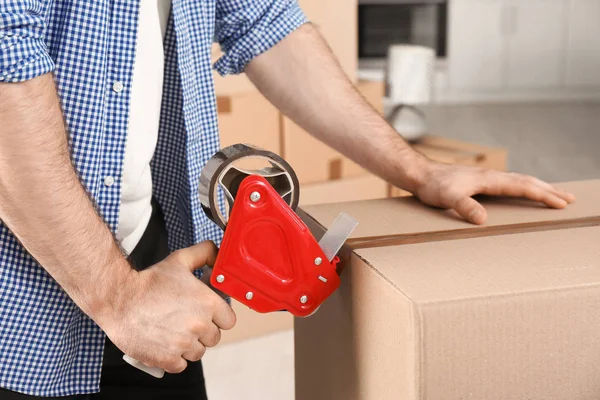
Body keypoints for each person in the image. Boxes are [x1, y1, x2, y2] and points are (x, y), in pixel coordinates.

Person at [0, 0, 575, 398]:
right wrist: (116, 296)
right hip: (24, 282)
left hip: (147, 252)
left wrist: (417, 169)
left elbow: (264, 19)